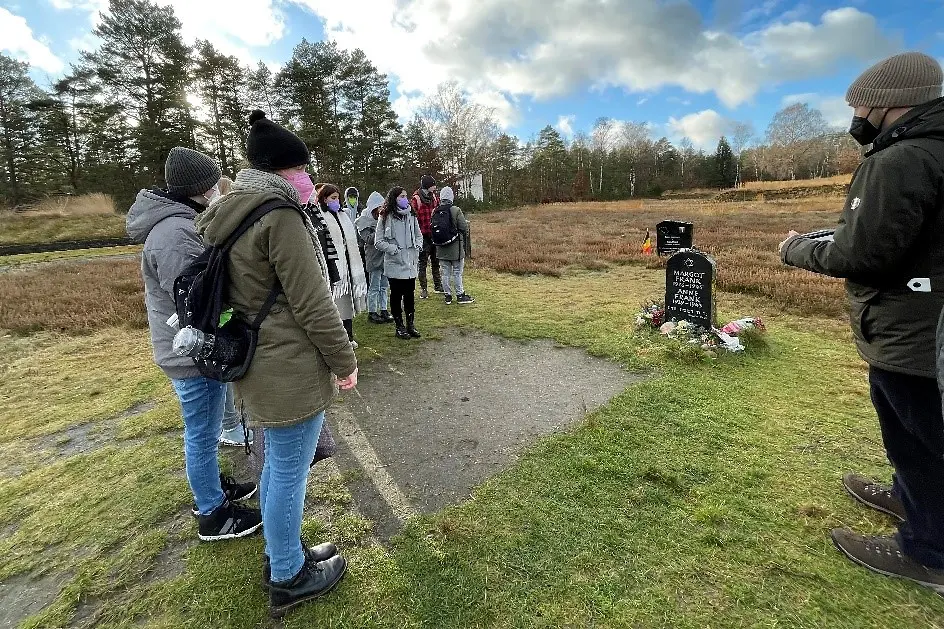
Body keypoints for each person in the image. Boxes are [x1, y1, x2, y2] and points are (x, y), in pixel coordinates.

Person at [779, 52, 944, 594]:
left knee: (919, 433)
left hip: (910, 329)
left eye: (860, 103)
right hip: (926, 320)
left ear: (891, 102)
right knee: (920, 433)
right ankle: (911, 497)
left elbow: (864, 253)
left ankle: (929, 551)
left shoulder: (903, 158)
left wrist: (798, 249)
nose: (857, 113)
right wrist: (838, 232)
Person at [196, 110, 354, 617]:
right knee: (289, 469)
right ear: (285, 171)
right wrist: (344, 360)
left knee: (277, 466)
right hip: (286, 366)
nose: (307, 178)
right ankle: (288, 575)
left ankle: (281, 554)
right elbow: (313, 304)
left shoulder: (233, 212)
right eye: (302, 169)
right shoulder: (279, 216)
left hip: (252, 360)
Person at [126, 147, 260, 541]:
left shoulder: (181, 223)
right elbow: (197, 297)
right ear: (201, 189)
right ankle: (213, 513)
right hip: (189, 352)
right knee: (201, 432)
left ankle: (213, 489)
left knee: (203, 427)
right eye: (213, 184)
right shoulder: (174, 234)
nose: (218, 190)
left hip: (193, 347)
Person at [310, 184, 368, 350]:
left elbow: (351, 240)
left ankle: (349, 336)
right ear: (324, 199)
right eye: (333, 198)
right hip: (335, 269)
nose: (337, 201)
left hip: (349, 266)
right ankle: (337, 339)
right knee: (336, 307)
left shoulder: (343, 215)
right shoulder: (320, 216)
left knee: (347, 307)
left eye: (338, 198)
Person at [375, 186, 423, 340]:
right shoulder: (385, 216)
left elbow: (419, 235)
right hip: (395, 263)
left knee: (409, 295)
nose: (405, 199)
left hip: (410, 262)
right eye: (401, 196)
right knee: (396, 295)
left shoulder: (411, 215)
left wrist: (418, 246)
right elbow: (378, 241)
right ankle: (399, 326)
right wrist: (393, 249)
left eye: (405, 196)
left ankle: (410, 324)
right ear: (394, 198)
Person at [355, 191, 393, 324]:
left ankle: (384, 309)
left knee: (384, 286)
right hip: (373, 257)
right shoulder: (364, 222)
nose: (381, 210)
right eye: (379, 208)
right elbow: (369, 239)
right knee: (374, 286)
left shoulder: (384, 219)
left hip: (385, 257)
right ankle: (372, 311)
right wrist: (381, 229)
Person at [433, 186, 474, 305]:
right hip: (455, 248)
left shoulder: (435, 211)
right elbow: (463, 227)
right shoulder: (456, 210)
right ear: (452, 197)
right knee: (457, 272)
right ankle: (460, 295)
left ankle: (447, 296)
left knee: (445, 272)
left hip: (440, 248)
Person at [411, 174, 443, 299]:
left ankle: (438, 285)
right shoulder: (416, 199)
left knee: (436, 261)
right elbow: (412, 218)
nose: (435, 187)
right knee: (422, 263)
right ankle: (424, 289)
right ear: (428, 186)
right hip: (422, 236)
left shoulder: (435, 197)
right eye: (433, 185)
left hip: (434, 235)